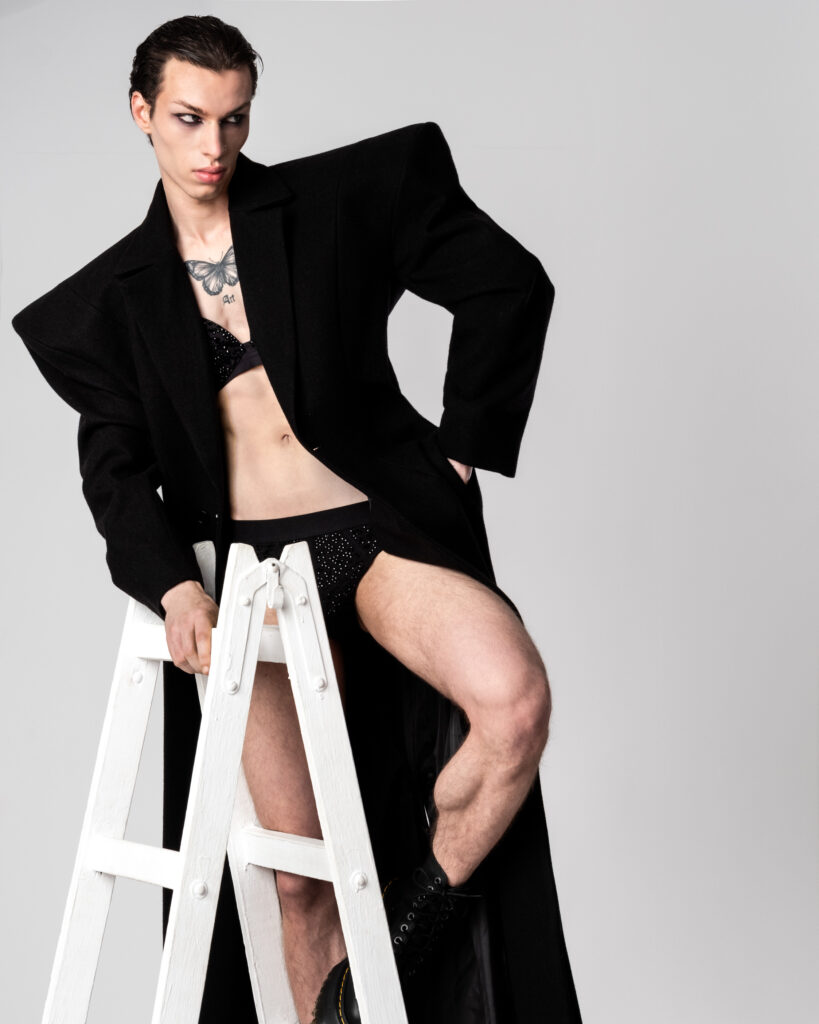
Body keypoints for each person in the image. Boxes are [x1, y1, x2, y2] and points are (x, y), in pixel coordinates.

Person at [12, 14, 582, 1024]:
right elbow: (115, 473)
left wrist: (458, 448)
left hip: (374, 535)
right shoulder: (112, 301)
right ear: (141, 112)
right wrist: (174, 585)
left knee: (514, 703)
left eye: (234, 119)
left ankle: (400, 943)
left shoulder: (329, 207)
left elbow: (506, 283)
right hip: (252, 573)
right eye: (189, 119)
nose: (214, 146)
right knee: (297, 868)